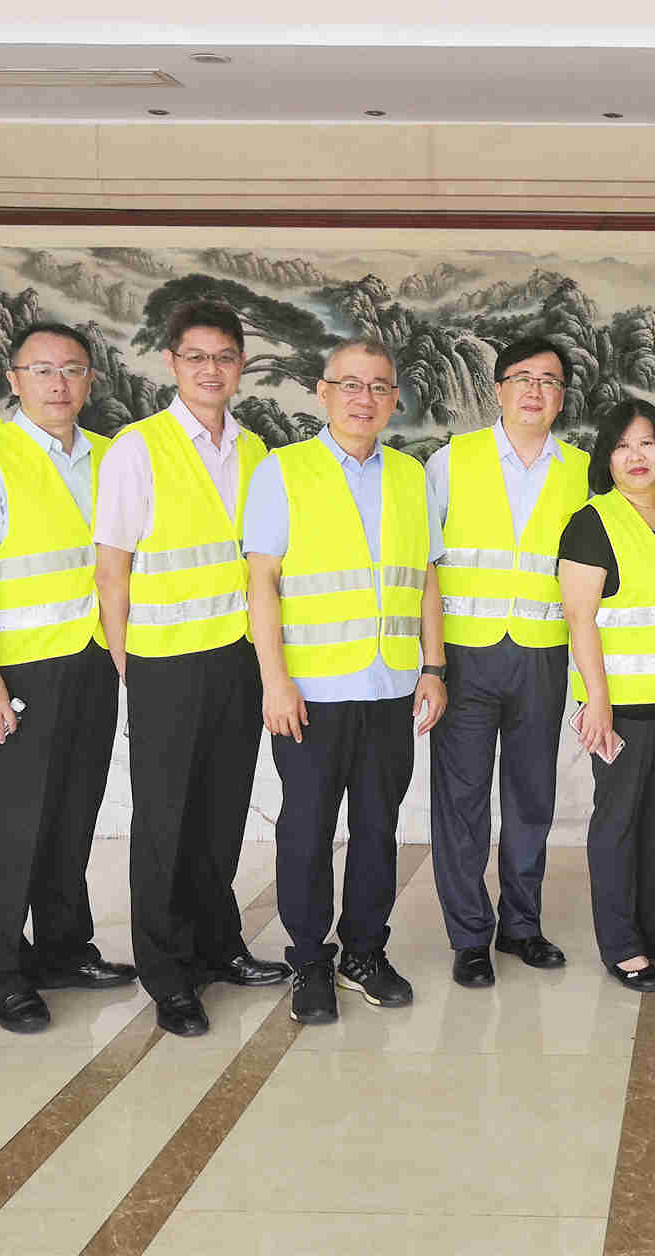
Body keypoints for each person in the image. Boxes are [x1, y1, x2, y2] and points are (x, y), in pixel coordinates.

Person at [94, 300, 290, 1039]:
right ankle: (167, 972)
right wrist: (128, 664)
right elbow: (111, 570)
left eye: (225, 357)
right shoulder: (137, 449)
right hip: (164, 663)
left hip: (237, 658)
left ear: (241, 366)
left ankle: (218, 945)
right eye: (197, 357)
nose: (212, 370)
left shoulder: (255, 450)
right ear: (172, 363)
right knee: (164, 822)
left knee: (221, 813)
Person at [244, 339, 448, 1025]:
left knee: (377, 829)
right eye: (351, 384)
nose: (365, 398)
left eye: (379, 387)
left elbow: (426, 579)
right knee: (306, 831)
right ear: (323, 392)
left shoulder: (410, 476)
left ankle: (363, 951)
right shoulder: (282, 471)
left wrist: (433, 667)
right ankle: (309, 958)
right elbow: (262, 581)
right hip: (311, 693)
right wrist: (274, 680)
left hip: (390, 690)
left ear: (395, 400)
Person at [0, 322, 134, 1032]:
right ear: (14, 380)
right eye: (42, 370)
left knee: (73, 813)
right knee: (10, 823)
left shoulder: (112, 458)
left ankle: (64, 949)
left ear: (90, 380)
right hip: (18, 669)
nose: (58, 384)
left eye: (72, 370)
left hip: (93, 660)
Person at [427, 336, 591, 988]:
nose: (534, 391)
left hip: (542, 655)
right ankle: (470, 936)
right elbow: (426, 567)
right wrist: (431, 664)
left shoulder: (581, 470)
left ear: (562, 397)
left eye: (548, 381)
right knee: (461, 800)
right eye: (522, 378)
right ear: (497, 390)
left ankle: (523, 926)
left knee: (531, 797)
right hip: (465, 657)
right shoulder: (451, 460)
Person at [558, 402, 655, 992]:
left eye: (647, 443)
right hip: (620, 707)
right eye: (622, 446)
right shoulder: (592, 522)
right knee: (618, 822)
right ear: (607, 458)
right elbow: (580, 620)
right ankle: (621, 944)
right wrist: (596, 701)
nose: (637, 456)